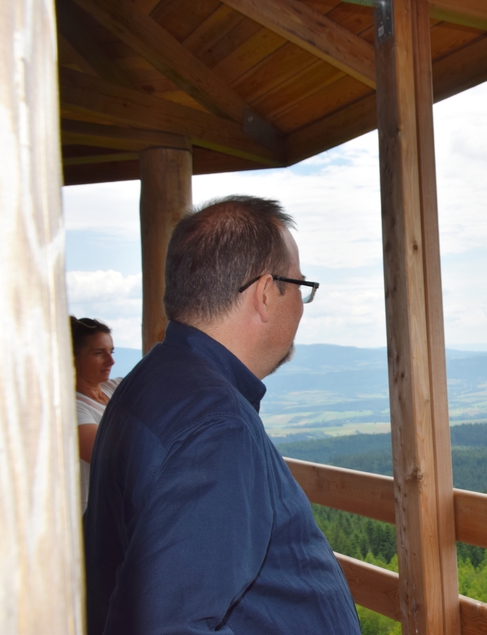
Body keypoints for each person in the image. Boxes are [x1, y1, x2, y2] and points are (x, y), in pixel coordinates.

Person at [84, 196, 360, 635]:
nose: (303, 305)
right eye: (300, 287)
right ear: (266, 293)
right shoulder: (215, 426)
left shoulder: (148, 385)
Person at [71, 316, 119, 512]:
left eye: (111, 351)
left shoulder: (114, 388)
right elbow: (108, 455)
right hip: (91, 516)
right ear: (73, 358)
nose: (111, 361)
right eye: (99, 353)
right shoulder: (71, 408)